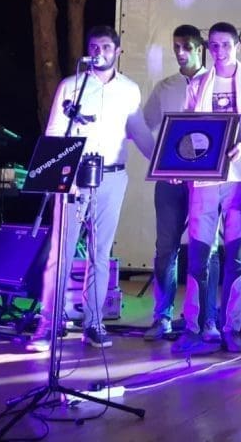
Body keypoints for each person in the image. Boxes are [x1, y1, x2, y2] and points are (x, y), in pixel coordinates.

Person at [27, 25, 155, 352]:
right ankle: (49, 322)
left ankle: (94, 322)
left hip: (111, 176)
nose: (100, 52)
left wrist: (165, 163)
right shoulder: (72, 86)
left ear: (117, 51)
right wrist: (62, 178)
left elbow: (139, 132)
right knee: (62, 251)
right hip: (74, 177)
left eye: (106, 47)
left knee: (100, 253)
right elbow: (56, 132)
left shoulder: (128, 89)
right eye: (94, 47)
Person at [173, 22, 241, 354]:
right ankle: (196, 326)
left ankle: (232, 327)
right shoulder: (198, 84)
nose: (219, 51)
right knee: (199, 253)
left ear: (236, 46)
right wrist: (178, 164)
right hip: (204, 178)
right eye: (214, 46)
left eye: (225, 45)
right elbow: (185, 130)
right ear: (208, 48)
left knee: (237, 254)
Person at [142, 25, 208, 342]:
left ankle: (197, 318)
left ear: (199, 49)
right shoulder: (166, 86)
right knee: (165, 248)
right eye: (176, 47)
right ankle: (162, 317)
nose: (180, 52)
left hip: (204, 181)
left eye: (186, 47)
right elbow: (143, 126)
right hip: (169, 179)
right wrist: (159, 162)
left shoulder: (215, 83)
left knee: (202, 248)